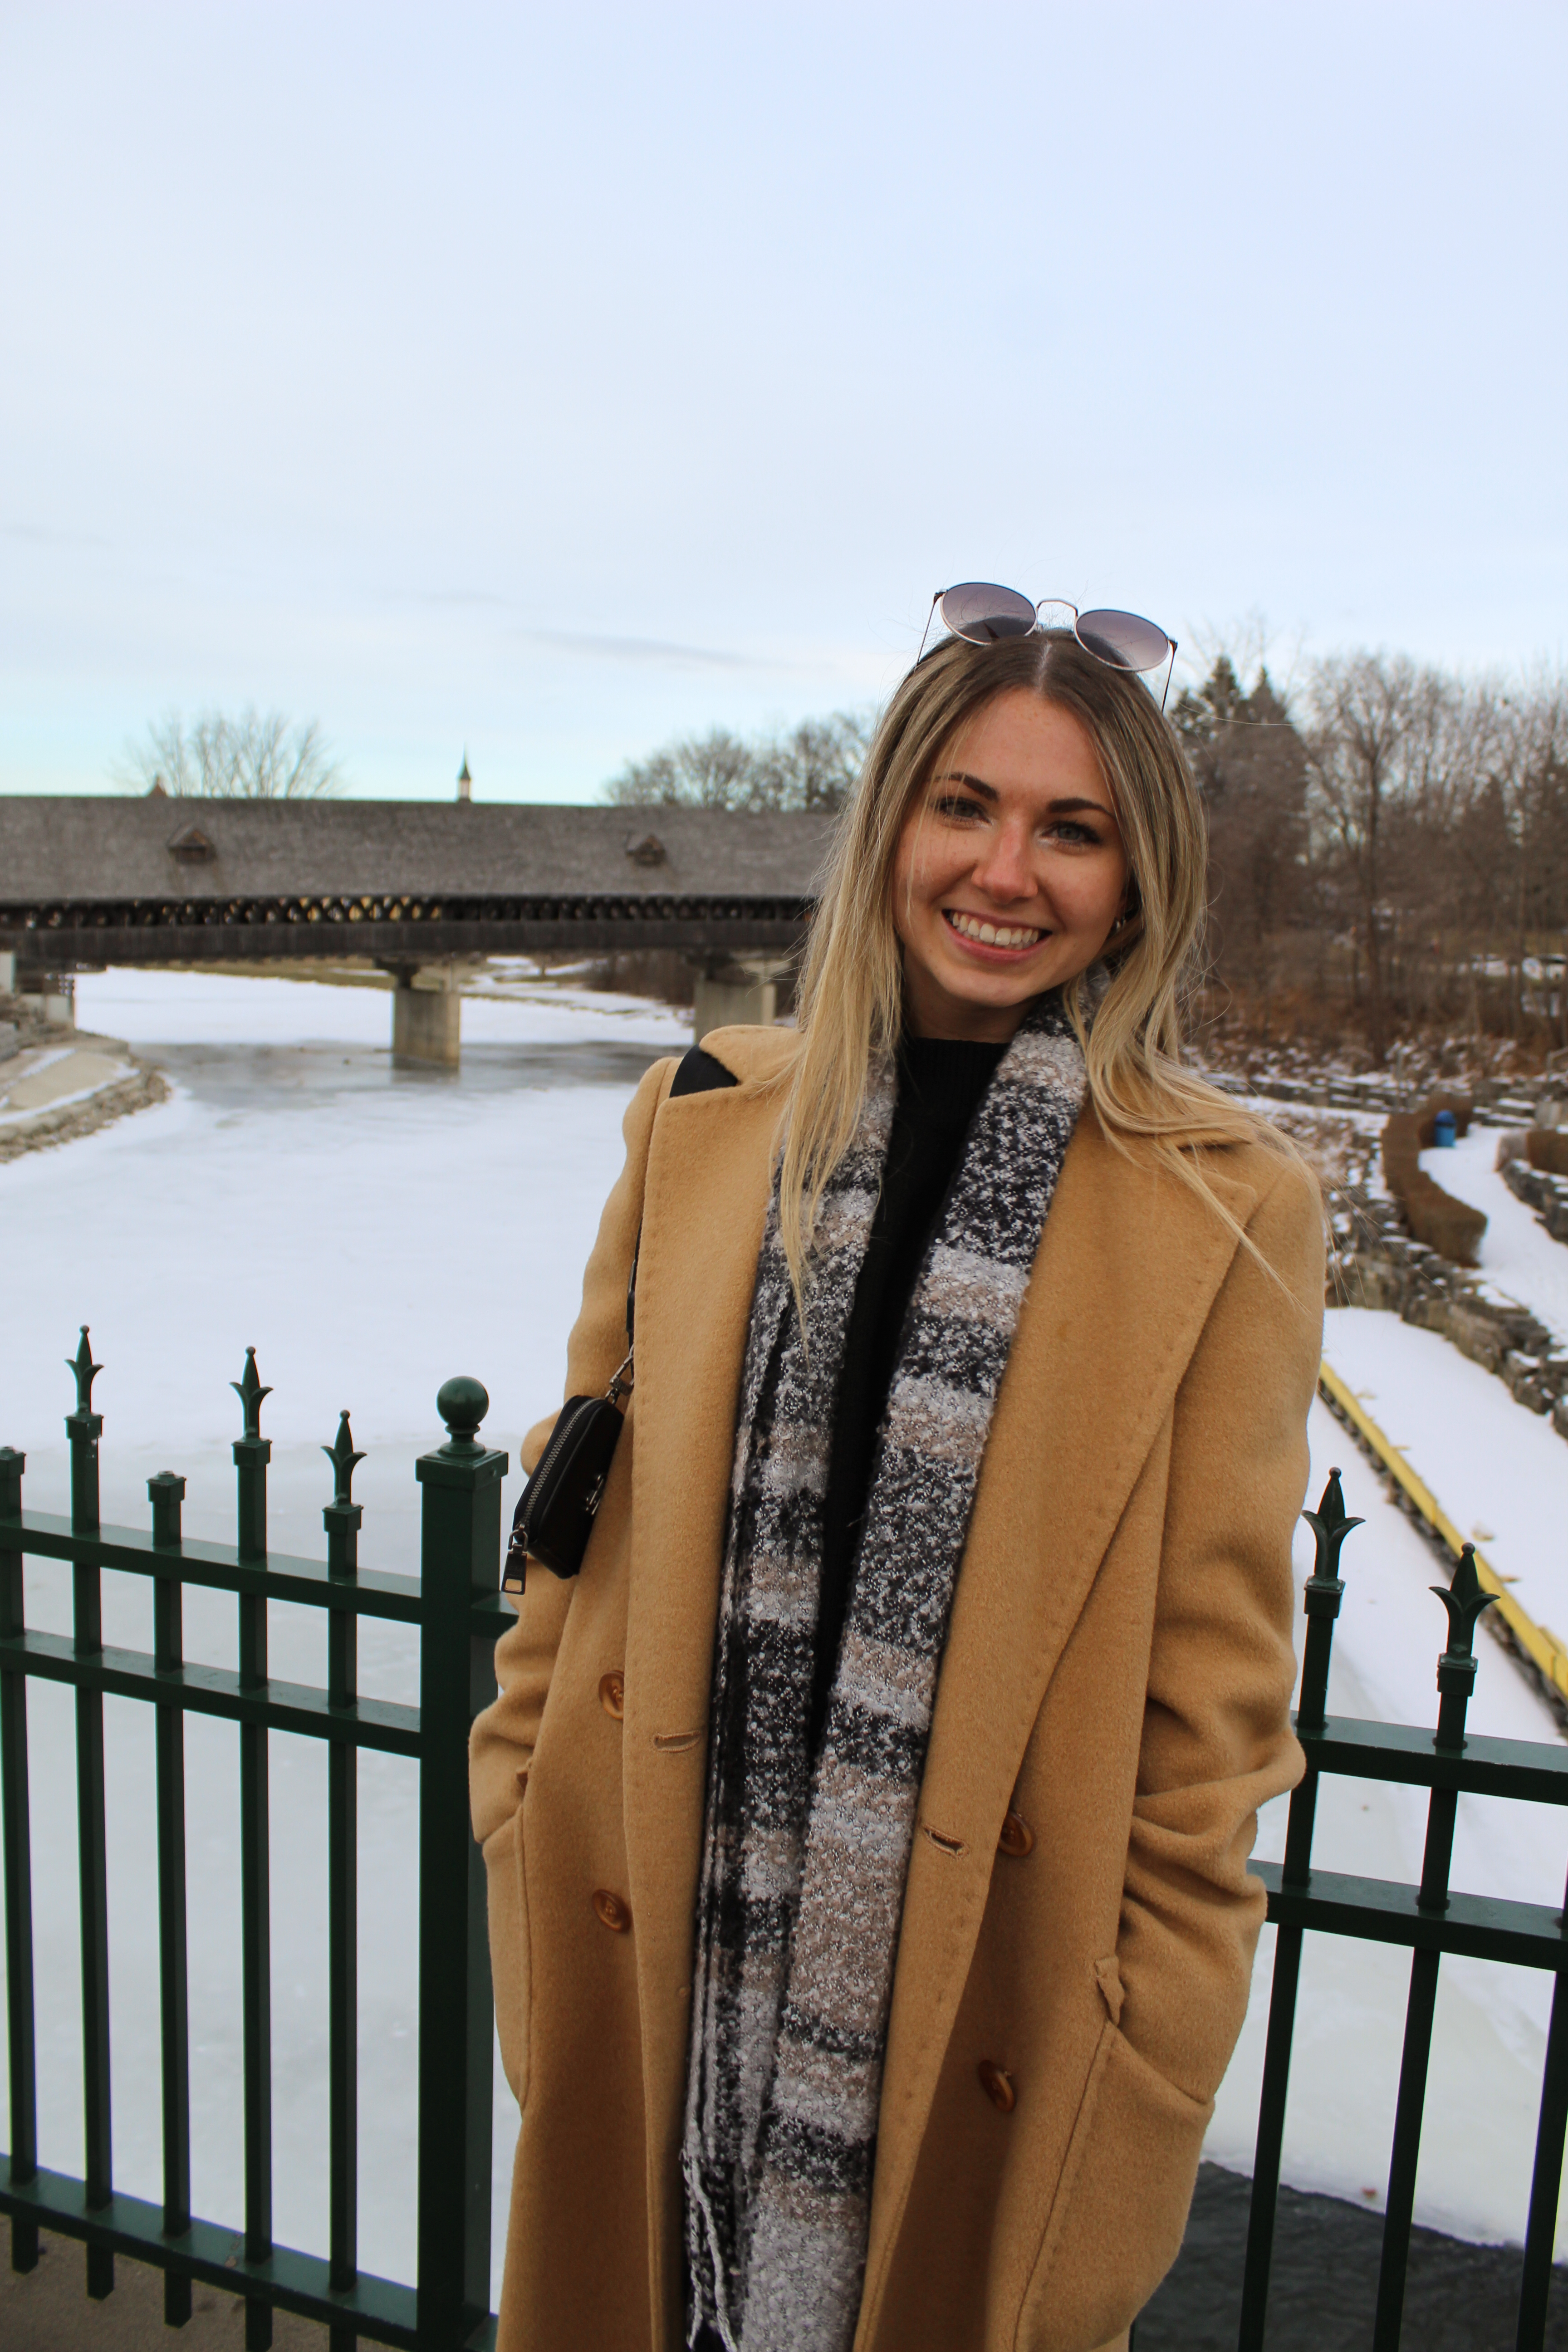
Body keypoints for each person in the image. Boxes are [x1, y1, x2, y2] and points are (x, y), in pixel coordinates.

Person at [470, 590, 1323, 2352]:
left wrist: (1139, 2047)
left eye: (1071, 828)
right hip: (660, 1983)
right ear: (890, 831)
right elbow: (573, 1540)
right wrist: (519, 1817)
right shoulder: (700, 1120)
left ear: (1136, 875)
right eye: (963, 805)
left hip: (984, 2026)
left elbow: (1214, 1723)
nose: (1006, 871)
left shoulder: (1229, 1208)